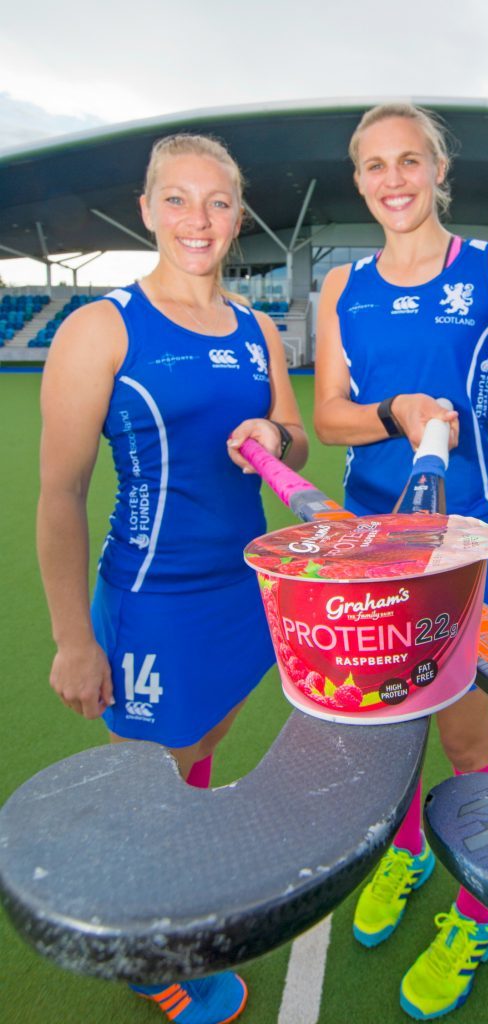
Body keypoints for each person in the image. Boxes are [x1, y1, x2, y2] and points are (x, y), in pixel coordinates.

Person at [37, 133, 308, 1024]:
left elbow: (293, 437)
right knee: (146, 787)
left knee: (201, 755)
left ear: (238, 216)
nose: (200, 220)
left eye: (219, 202)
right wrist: (76, 638)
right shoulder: (101, 327)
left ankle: (174, 889)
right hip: (153, 603)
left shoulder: (257, 327)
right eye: (178, 200)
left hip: (246, 596)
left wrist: (275, 439)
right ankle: (143, 955)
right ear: (148, 209)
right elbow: (61, 493)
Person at [314, 103, 488, 1020]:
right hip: (366, 542)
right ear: (358, 181)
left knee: (462, 736)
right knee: (384, 722)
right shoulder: (341, 285)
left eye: (409, 160)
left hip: (460, 548)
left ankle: (476, 907)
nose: (393, 179)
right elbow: (332, 414)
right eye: (375, 165)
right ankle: (411, 849)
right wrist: (396, 412)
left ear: (438, 170)